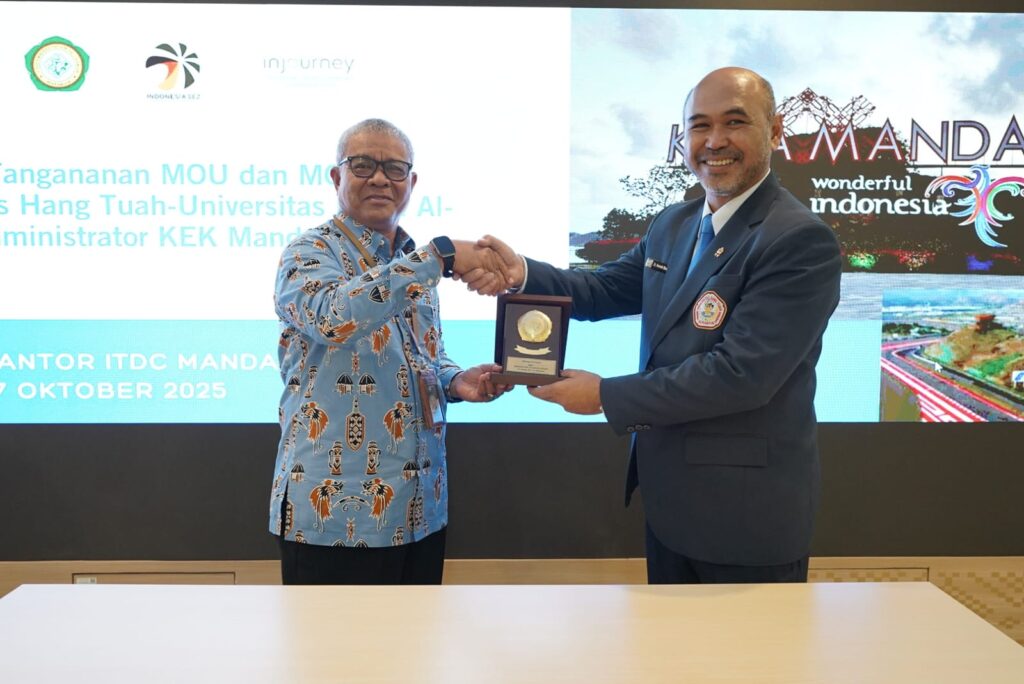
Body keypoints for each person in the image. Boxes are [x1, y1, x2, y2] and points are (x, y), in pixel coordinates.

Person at [466, 67, 842, 584]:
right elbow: (604, 290)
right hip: (670, 507)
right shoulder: (674, 223)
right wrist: (520, 272)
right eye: (699, 125)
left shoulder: (798, 239)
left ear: (774, 131)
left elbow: (741, 375)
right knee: (670, 640)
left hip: (747, 518)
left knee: (749, 643)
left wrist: (605, 396)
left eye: (735, 122)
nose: (714, 141)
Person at [269, 118, 508, 584]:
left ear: (411, 183)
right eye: (363, 165)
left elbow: (425, 358)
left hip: (420, 509)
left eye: (395, 169)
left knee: (417, 635)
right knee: (334, 637)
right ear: (336, 177)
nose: (380, 178)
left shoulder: (410, 263)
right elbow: (333, 317)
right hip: (332, 518)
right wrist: (437, 256)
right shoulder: (308, 252)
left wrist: (456, 381)